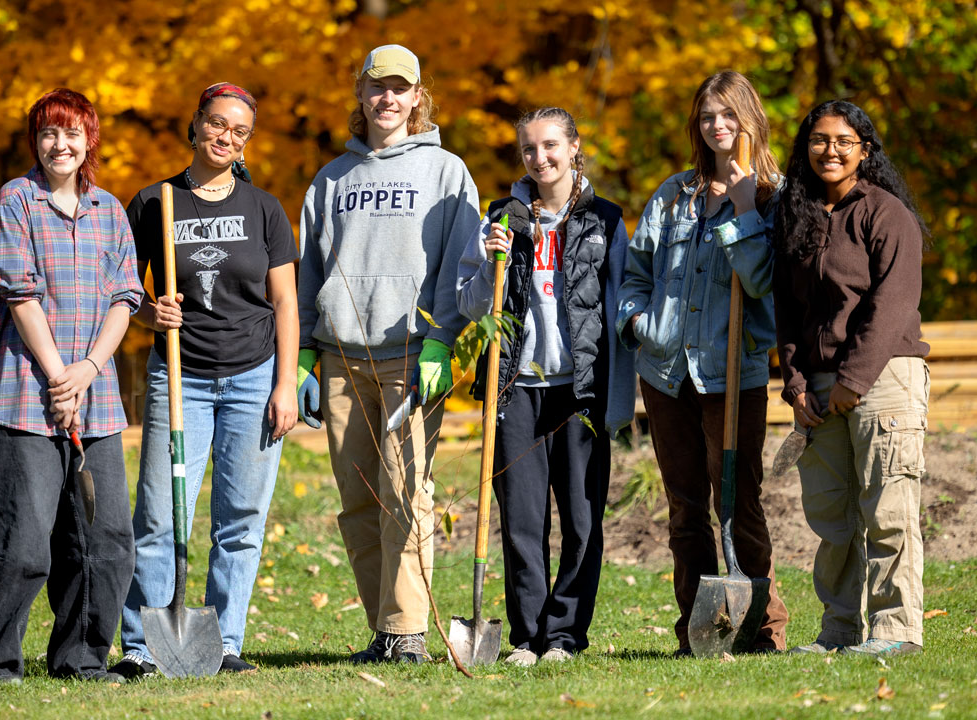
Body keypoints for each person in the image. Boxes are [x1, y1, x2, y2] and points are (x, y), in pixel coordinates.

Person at [296, 44, 481, 664]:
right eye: (377, 88)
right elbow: (307, 271)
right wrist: (301, 357)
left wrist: (441, 339)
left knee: (406, 493)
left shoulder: (446, 172)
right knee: (358, 503)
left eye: (400, 89)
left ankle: (406, 632)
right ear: (361, 94)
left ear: (418, 97)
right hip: (340, 358)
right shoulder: (332, 179)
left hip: (412, 357)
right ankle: (386, 628)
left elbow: (465, 263)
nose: (388, 99)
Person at [113, 82, 299, 678]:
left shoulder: (264, 208)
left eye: (239, 131)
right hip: (179, 376)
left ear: (247, 141)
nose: (226, 137)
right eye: (217, 124)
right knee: (161, 516)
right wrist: (150, 311)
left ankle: (222, 644)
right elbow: (123, 289)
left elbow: (286, 304)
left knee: (240, 518)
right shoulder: (153, 201)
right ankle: (145, 648)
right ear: (195, 125)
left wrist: (286, 384)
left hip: (254, 375)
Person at [0, 88, 141, 683]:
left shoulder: (111, 211)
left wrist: (87, 371)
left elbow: (124, 298)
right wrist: (59, 374)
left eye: (70, 134)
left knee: (105, 538)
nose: (59, 145)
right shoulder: (18, 200)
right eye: (47, 134)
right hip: (25, 394)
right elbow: (20, 293)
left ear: (89, 139)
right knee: (20, 539)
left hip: (98, 400)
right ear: (36, 141)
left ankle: (83, 660)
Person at [615, 71, 789, 656]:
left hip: (732, 374)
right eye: (708, 115)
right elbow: (636, 271)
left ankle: (762, 628)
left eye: (729, 115)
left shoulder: (774, 196)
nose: (718, 126)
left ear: (750, 120)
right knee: (685, 504)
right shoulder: (673, 194)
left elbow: (764, 281)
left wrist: (742, 211)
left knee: (738, 499)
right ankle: (697, 629)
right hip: (666, 372)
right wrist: (638, 322)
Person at [455, 107, 634, 666]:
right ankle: (528, 636)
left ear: (575, 147)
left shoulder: (605, 218)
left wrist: (620, 397)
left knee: (582, 520)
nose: (541, 158)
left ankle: (564, 636)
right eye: (530, 149)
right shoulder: (500, 218)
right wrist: (488, 267)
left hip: (579, 390)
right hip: (517, 388)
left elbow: (618, 305)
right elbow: (468, 303)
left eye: (552, 145)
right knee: (522, 523)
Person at [774, 100, 930, 657]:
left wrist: (854, 380)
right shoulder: (796, 216)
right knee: (834, 519)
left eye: (844, 140)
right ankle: (838, 631)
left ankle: (894, 631)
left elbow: (891, 306)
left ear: (865, 150)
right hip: (817, 389)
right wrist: (794, 385)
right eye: (819, 139)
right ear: (805, 147)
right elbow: (787, 312)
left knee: (887, 508)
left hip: (884, 379)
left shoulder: (886, 214)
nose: (830, 150)